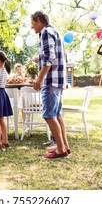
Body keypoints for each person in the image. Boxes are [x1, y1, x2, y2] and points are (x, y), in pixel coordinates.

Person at [30, 10, 71, 159]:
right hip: (59, 80)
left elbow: (50, 58)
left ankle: (60, 150)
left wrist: (39, 79)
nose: (32, 27)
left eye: (32, 23)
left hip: (50, 80)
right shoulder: (55, 32)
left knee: (48, 115)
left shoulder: (46, 32)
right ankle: (65, 146)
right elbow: (52, 55)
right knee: (57, 115)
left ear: (39, 21)